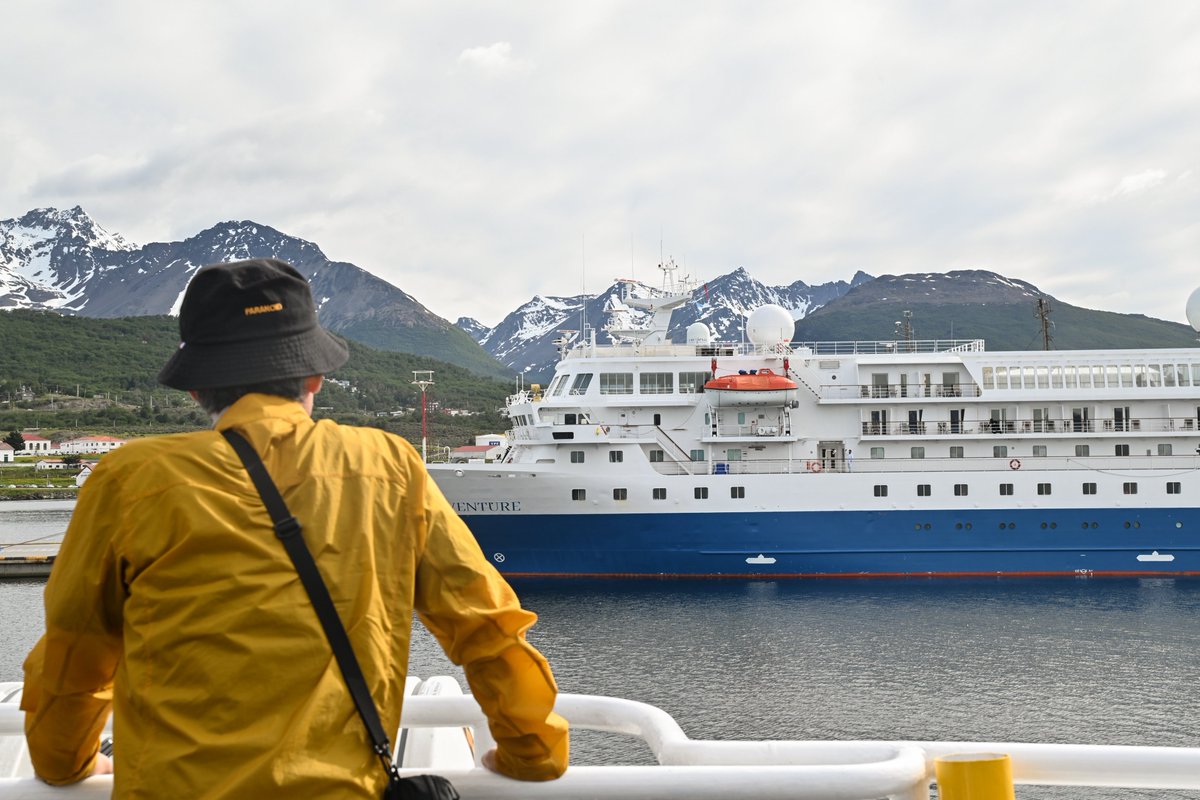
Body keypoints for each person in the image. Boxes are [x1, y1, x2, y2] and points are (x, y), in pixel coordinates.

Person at [21, 258, 569, 797]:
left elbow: (75, 648)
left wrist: (65, 763)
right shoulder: (389, 465)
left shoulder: (129, 478)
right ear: (316, 376)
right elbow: (486, 625)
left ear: (196, 388)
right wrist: (533, 751)